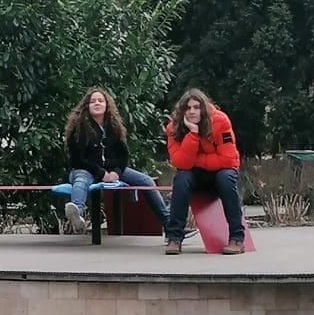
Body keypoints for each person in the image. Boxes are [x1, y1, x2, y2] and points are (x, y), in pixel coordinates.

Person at [63, 87, 170, 235]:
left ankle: (169, 225)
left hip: (113, 170)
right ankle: (77, 214)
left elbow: (123, 155)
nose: (97, 103)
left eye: (100, 100)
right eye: (92, 101)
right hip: (85, 169)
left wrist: (117, 172)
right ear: (86, 105)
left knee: (146, 181)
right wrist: (101, 173)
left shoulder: (114, 126)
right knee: (80, 181)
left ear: (107, 105)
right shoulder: (78, 128)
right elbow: (77, 159)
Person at [164, 88, 245, 256]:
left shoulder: (220, 121)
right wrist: (193, 133)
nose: (192, 111)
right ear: (182, 111)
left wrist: (197, 161)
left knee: (226, 178)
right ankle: (174, 238)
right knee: (181, 178)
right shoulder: (173, 128)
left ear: (203, 108)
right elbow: (179, 163)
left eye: (196, 107)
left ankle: (237, 238)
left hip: (221, 173)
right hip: (194, 175)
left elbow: (228, 160)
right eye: (188, 108)